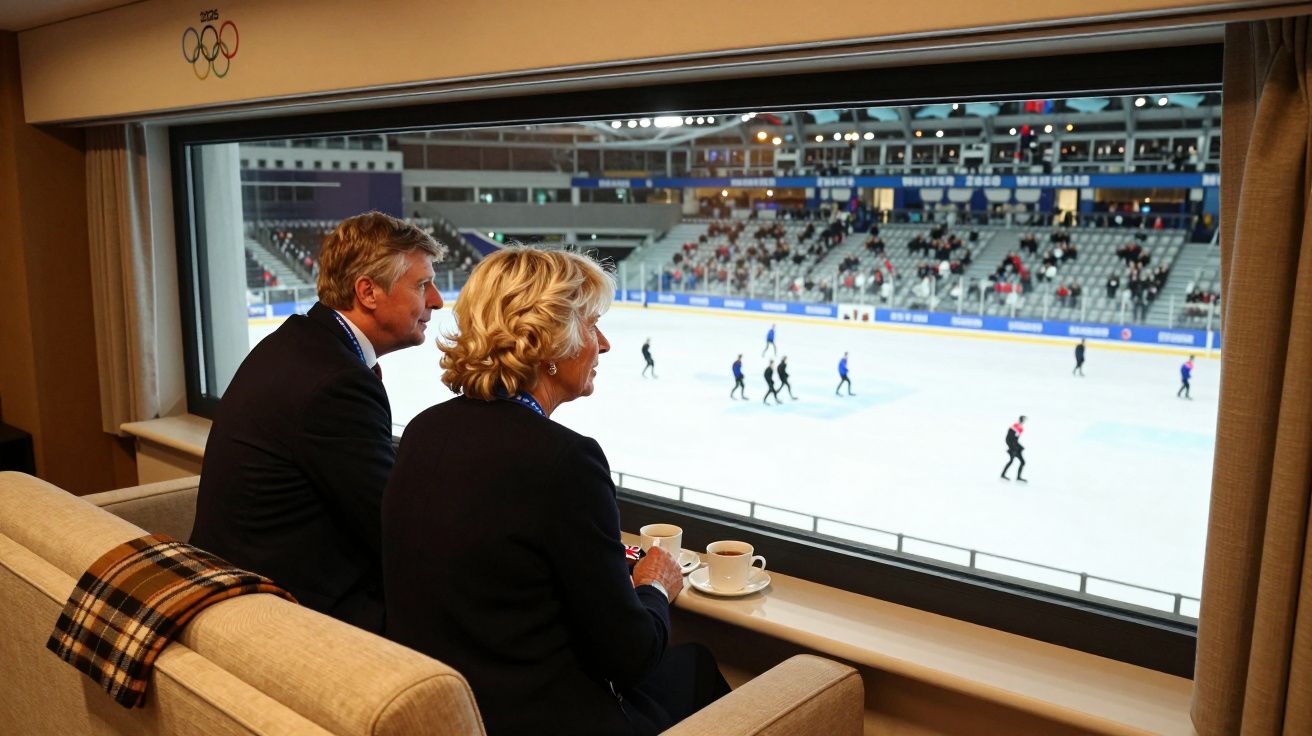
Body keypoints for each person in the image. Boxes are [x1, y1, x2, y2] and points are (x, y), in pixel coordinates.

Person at [382, 248, 729, 735]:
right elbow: (630, 655)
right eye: (591, 326)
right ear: (547, 341)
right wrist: (653, 584)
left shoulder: (424, 430)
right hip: (543, 715)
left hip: (465, 710)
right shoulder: (564, 461)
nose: (604, 345)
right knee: (696, 668)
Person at [190, 211, 446, 633]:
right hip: (283, 607)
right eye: (422, 285)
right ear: (368, 292)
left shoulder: (297, 341)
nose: (436, 300)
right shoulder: (336, 383)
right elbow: (392, 525)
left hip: (248, 573)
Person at [1001, 415, 1027, 482]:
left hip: (1014, 447)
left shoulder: (1018, 427)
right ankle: (1005, 475)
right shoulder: (1017, 427)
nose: (1024, 421)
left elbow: (1012, 439)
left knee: (1018, 461)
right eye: (1023, 419)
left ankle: (1005, 475)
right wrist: (1012, 448)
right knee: (1018, 461)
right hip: (1013, 447)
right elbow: (1010, 438)